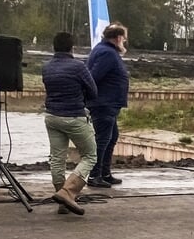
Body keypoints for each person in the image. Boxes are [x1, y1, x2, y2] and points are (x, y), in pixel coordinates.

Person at [40, 31, 99, 215]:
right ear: (72, 48)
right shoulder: (78, 67)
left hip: (51, 116)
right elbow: (93, 91)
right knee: (90, 155)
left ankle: (61, 200)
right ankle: (68, 192)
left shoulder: (46, 67)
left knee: (57, 159)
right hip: (74, 116)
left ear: (54, 47)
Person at [85, 22, 130, 188]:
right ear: (118, 38)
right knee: (103, 139)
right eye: (123, 38)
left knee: (111, 137)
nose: (124, 42)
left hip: (108, 103)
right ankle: (94, 175)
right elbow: (93, 77)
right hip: (104, 103)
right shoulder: (107, 54)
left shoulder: (104, 50)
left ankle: (105, 172)